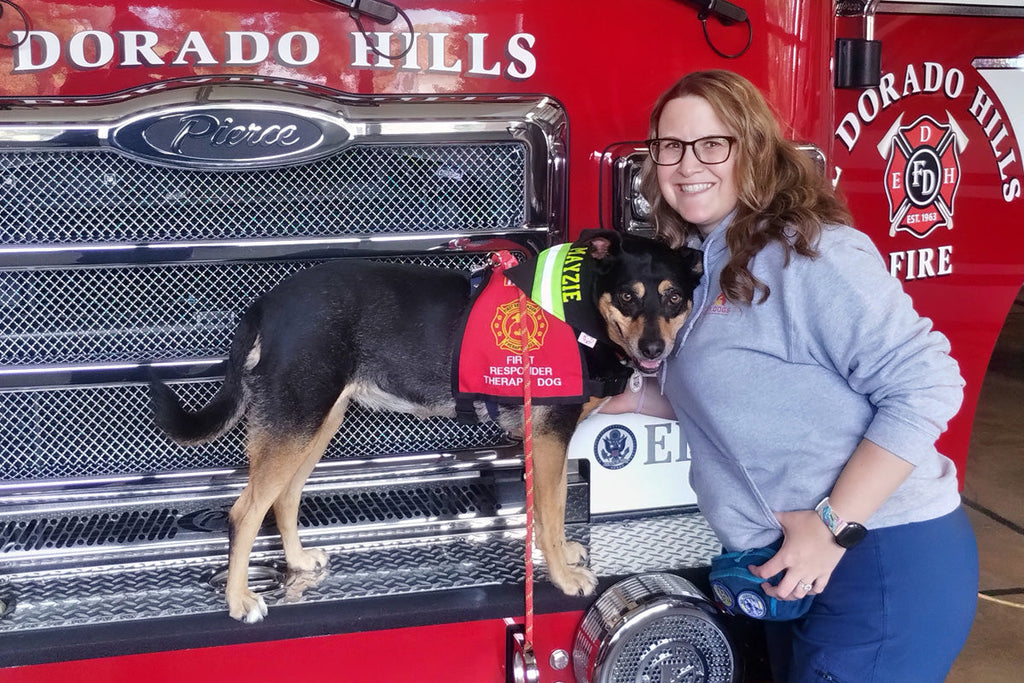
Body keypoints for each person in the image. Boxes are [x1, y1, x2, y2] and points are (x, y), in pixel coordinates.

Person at [641, 69, 978, 682]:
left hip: (879, 556)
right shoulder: (704, 262)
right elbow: (721, 398)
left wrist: (832, 528)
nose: (688, 164)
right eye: (671, 146)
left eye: (713, 144)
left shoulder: (810, 253)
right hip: (788, 565)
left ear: (756, 149)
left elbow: (926, 383)